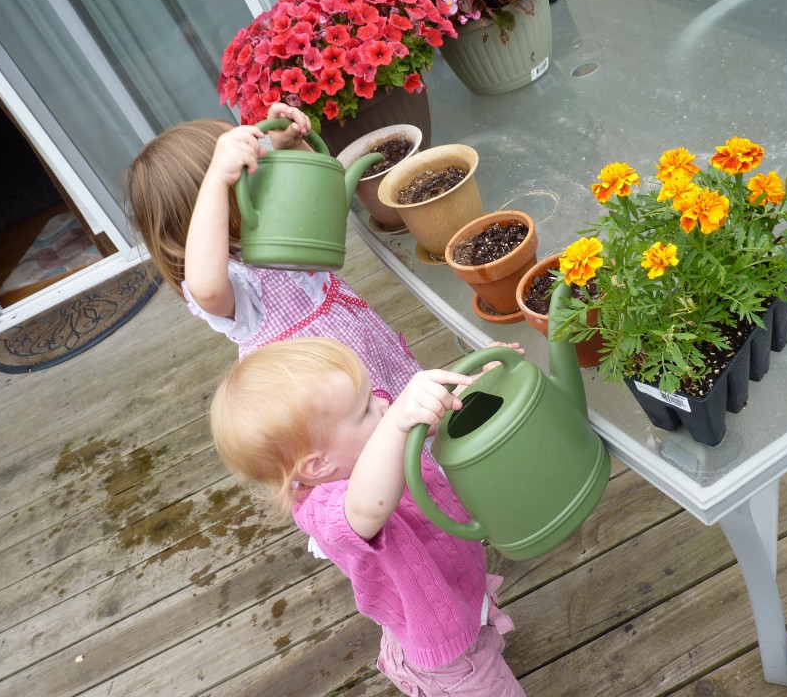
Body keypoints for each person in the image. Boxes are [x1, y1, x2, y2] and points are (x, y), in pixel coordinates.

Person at [210, 337, 526, 696]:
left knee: (482, 638)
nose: (383, 404)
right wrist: (394, 423)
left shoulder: (366, 442)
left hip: (454, 585)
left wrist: (483, 384)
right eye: (364, 409)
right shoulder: (325, 510)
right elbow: (367, 506)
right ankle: (422, 672)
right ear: (319, 464)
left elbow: (430, 420)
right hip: (444, 639)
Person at [125, 103, 419, 402]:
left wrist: (290, 144)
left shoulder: (276, 230)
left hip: (371, 361)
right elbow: (208, 290)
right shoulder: (235, 283)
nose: (266, 172)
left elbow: (320, 195)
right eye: (248, 172)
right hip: (331, 405)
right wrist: (216, 179)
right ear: (214, 204)